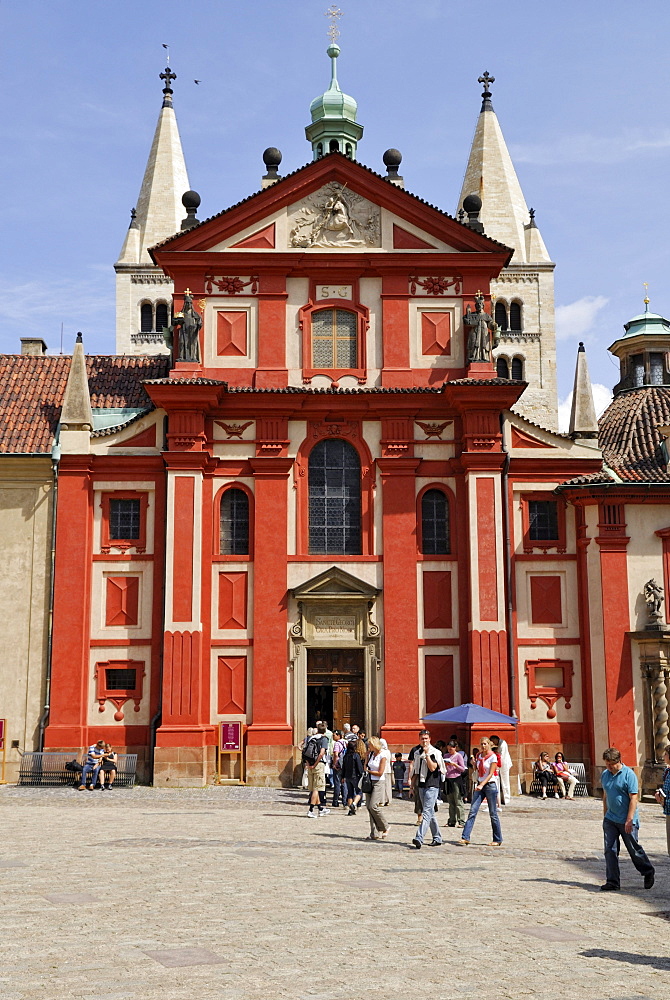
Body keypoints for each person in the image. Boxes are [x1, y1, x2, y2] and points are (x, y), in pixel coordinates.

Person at [600, 746, 654, 891]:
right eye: (607, 764)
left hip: (626, 820)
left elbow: (634, 798)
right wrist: (605, 816)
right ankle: (612, 881)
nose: (609, 767)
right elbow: (605, 796)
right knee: (609, 850)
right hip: (610, 819)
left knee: (634, 850)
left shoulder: (629, 775)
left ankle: (648, 871)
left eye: (611, 764)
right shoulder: (605, 774)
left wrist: (629, 820)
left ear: (618, 761)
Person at [458, 737, 503, 847]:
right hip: (479, 785)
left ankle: (497, 839)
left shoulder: (493, 757)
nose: (483, 746)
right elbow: (477, 771)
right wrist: (474, 764)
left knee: (493, 814)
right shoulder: (478, 756)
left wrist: (482, 784)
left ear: (489, 744)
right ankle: (465, 837)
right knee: (472, 811)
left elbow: (491, 773)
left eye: (485, 744)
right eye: (481, 744)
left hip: (489, 786)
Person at [410, 730, 445, 849]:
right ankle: (437, 837)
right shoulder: (417, 753)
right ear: (419, 739)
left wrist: (427, 756)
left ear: (430, 739)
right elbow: (415, 770)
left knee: (425, 813)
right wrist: (411, 786)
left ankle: (419, 838)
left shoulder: (435, 752)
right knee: (430, 813)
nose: (424, 741)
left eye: (426, 738)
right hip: (421, 785)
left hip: (432, 785)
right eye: (422, 738)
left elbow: (433, 768)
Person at [364, 736, 390, 841]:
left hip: (378, 782)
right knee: (369, 807)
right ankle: (373, 833)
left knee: (373, 805)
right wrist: (366, 758)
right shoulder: (370, 754)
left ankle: (385, 826)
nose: (368, 746)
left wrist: (369, 771)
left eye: (369, 744)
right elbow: (365, 767)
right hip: (369, 781)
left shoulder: (382, 755)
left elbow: (380, 772)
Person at [304, 722, 330, 818]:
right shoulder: (324, 739)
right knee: (317, 788)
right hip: (318, 764)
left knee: (314, 787)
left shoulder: (311, 738)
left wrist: (308, 764)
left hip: (310, 764)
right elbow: (321, 753)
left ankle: (320, 809)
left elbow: (305, 752)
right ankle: (311, 810)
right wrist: (315, 764)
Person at [443, 739, 467, 827]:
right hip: (448, 779)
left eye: (451, 749)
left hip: (456, 779)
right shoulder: (446, 755)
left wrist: (455, 765)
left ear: (455, 748)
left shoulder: (458, 756)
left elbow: (462, 769)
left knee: (458, 801)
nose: (449, 751)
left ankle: (461, 821)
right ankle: (451, 820)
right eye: (448, 749)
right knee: (451, 802)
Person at [654, 744, 670, 855]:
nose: (664, 756)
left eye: (666, 754)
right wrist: (660, 794)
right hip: (668, 809)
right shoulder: (667, 771)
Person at [342, 737, 364, 814]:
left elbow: (343, 768)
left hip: (347, 776)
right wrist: (362, 774)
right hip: (355, 776)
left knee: (350, 793)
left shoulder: (345, 756)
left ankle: (350, 810)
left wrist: (342, 776)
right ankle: (354, 804)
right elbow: (359, 766)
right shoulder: (356, 755)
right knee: (359, 792)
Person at [490, 734, 513, 805]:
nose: (493, 743)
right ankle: (500, 798)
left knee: (505, 781)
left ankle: (506, 798)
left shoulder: (503, 744)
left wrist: (497, 764)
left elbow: (502, 755)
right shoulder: (497, 745)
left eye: (494, 741)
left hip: (504, 764)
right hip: (499, 763)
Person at [331, 730, 347, 807]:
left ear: (339, 735)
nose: (333, 737)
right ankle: (345, 801)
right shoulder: (345, 742)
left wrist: (334, 764)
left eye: (334, 735)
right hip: (344, 765)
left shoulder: (337, 743)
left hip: (338, 765)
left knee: (337, 783)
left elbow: (336, 754)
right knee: (344, 783)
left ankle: (335, 801)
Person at [379, 738, 392, 806]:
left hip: (382, 770)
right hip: (388, 770)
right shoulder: (388, 751)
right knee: (388, 786)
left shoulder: (381, 751)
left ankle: (382, 800)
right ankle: (389, 800)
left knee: (382, 786)